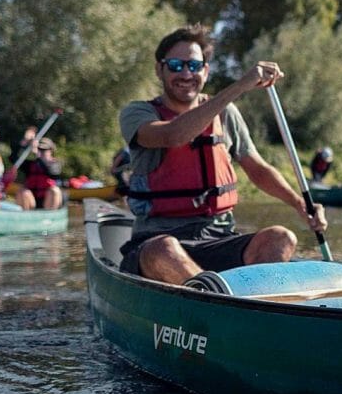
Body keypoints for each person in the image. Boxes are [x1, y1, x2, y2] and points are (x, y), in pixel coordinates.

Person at [118, 24, 328, 285]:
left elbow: (258, 169)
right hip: (157, 238)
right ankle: (214, 298)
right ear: (159, 69)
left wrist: (301, 205)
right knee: (163, 249)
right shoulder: (137, 113)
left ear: (205, 71)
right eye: (175, 65)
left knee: (281, 238)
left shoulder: (227, 114)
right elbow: (173, 135)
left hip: (218, 235)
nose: (186, 73)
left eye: (194, 66)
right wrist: (239, 86)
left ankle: (245, 302)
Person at [17, 137, 64, 210]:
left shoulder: (55, 164)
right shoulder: (31, 165)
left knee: (54, 190)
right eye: (39, 149)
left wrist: (39, 157)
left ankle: (50, 217)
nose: (41, 152)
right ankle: (27, 217)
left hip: (48, 201)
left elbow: (51, 173)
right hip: (33, 200)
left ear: (51, 150)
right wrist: (24, 143)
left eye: (44, 150)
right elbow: (13, 158)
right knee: (22, 191)